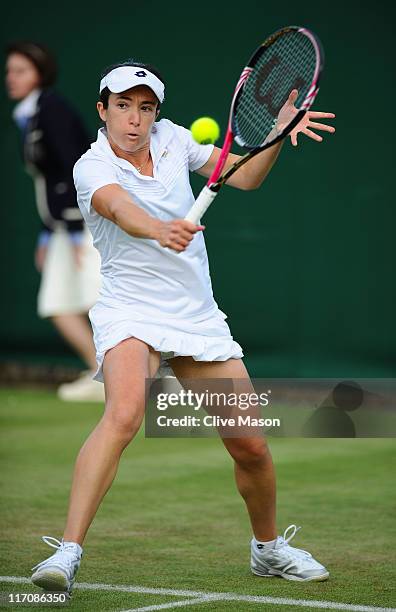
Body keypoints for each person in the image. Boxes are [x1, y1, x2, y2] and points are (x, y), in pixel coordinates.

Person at [30, 60, 335, 594]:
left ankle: (267, 550)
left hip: (194, 313)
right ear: (103, 110)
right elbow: (120, 210)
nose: (135, 119)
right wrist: (159, 228)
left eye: (146, 108)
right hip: (130, 310)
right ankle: (67, 553)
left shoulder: (174, 140)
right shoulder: (91, 165)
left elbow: (248, 176)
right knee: (124, 414)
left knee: (251, 447)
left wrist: (278, 135)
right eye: (123, 106)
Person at [5, 41, 104, 401]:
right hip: (62, 226)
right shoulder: (29, 114)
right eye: (9, 71)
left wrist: (76, 228)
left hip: (84, 223)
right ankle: (103, 375)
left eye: (20, 71)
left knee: (101, 300)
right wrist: (48, 232)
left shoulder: (53, 110)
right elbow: (47, 180)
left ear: (40, 74)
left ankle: (152, 374)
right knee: (58, 305)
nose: (11, 79)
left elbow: (74, 168)